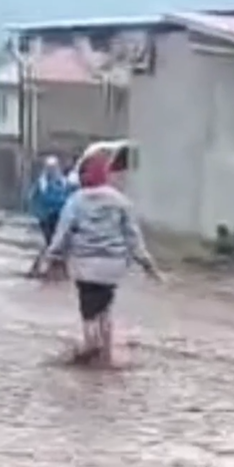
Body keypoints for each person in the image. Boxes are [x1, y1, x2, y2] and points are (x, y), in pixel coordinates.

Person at [39, 153, 163, 365]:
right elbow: (133, 237)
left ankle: (90, 345)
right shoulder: (121, 201)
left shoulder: (76, 201)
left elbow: (63, 232)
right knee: (105, 306)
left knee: (88, 308)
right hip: (113, 267)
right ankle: (107, 356)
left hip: (84, 265)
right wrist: (148, 265)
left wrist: (50, 257)